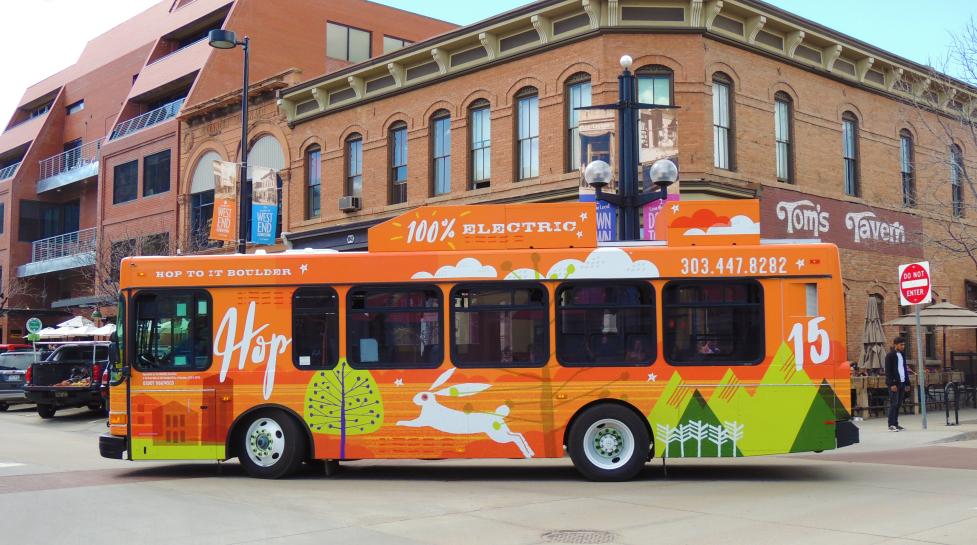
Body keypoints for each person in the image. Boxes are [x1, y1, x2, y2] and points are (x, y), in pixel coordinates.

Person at [884, 336, 911, 432]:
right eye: (901, 344)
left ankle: (896, 423)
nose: (903, 346)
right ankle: (890, 425)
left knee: (899, 404)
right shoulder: (890, 355)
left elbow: (904, 369)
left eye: (904, 344)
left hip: (902, 382)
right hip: (894, 384)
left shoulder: (902, 354)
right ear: (895, 345)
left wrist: (907, 383)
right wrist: (892, 384)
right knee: (893, 404)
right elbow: (888, 371)